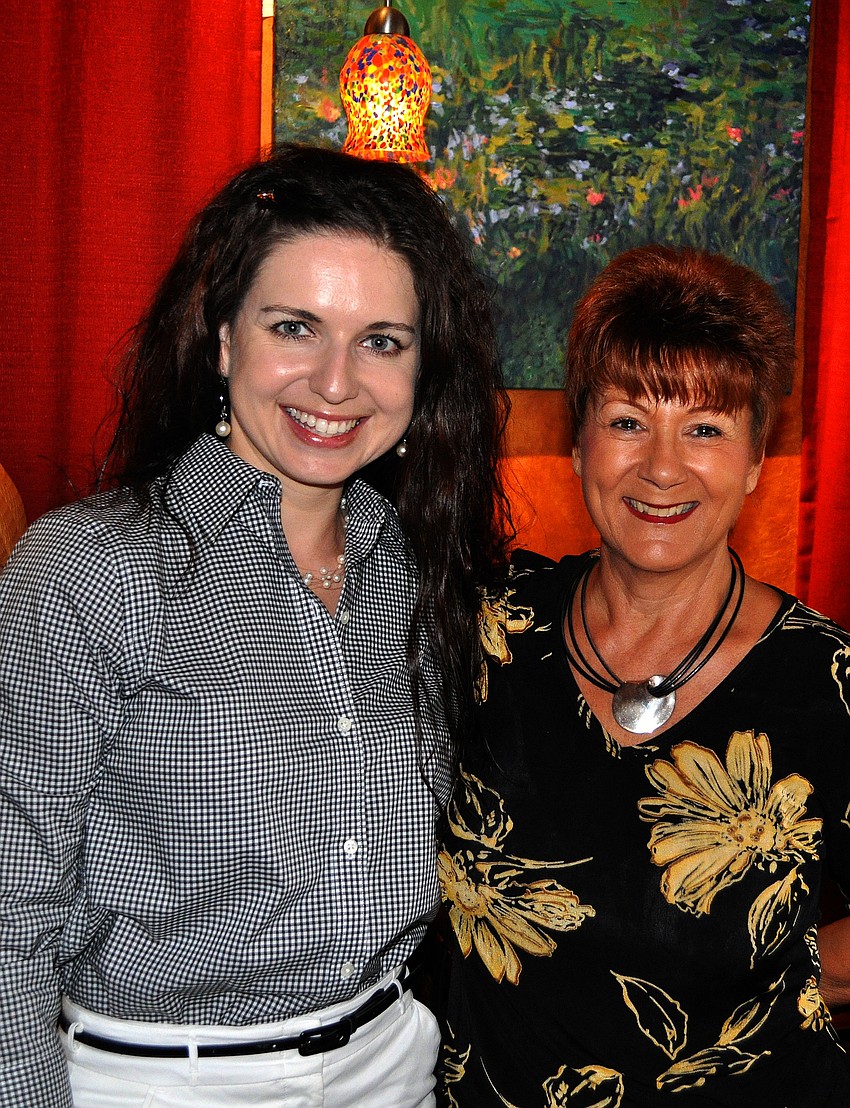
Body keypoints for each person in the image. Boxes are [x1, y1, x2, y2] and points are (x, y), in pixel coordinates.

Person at [0, 143, 510, 1107]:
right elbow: (4, 913)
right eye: (295, 327)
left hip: (392, 1060)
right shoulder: (90, 572)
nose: (335, 381)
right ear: (226, 339)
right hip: (160, 1083)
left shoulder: (418, 570)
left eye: (382, 340)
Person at [437, 245, 850, 1105]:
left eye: (705, 429)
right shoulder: (485, 630)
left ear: (753, 462)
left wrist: (786, 974)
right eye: (628, 421)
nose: (662, 468)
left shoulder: (830, 680)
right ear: (579, 444)